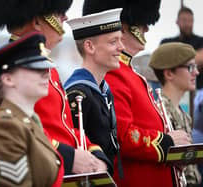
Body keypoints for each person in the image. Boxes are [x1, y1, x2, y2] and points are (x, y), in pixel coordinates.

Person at [0, 0, 111, 175]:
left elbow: (67, 129)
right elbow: (12, 135)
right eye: (58, 13)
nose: (65, 17)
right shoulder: (1, 71)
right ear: (38, 22)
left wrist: (96, 155)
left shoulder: (47, 68)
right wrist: (70, 158)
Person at [83, 0, 192, 187]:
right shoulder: (114, 74)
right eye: (142, 24)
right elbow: (122, 137)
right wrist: (166, 142)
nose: (146, 30)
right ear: (123, 28)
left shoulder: (129, 73)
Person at [0, 32, 64, 187]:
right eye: (35, 68)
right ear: (8, 79)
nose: (46, 73)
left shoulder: (28, 121)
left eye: (45, 67)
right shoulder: (5, 128)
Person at [64, 9, 124, 176]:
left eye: (120, 40)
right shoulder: (78, 93)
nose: (122, 47)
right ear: (89, 46)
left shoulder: (101, 89)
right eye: (113, 42)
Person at [149, 42, 201, 187]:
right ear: (169, 73)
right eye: (190, 67)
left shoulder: (184, 114)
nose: (196, 72)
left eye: (195, 67)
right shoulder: (160, 110)